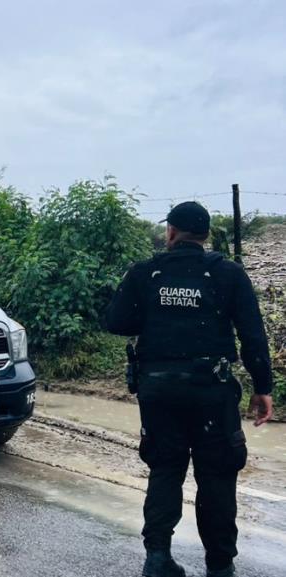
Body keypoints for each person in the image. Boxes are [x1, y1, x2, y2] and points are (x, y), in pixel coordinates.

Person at [106, 201, 274, 577]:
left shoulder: (145, 273)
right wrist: (263, 388)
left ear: (170, 232)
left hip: (159, 391)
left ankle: (158, 558)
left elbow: (117, 322)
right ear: (206, 235)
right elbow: (252, 336)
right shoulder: (228, 274)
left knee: (165, 469)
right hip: (211, 392)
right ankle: (219, 565)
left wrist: (156, 309)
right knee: (216, 475)